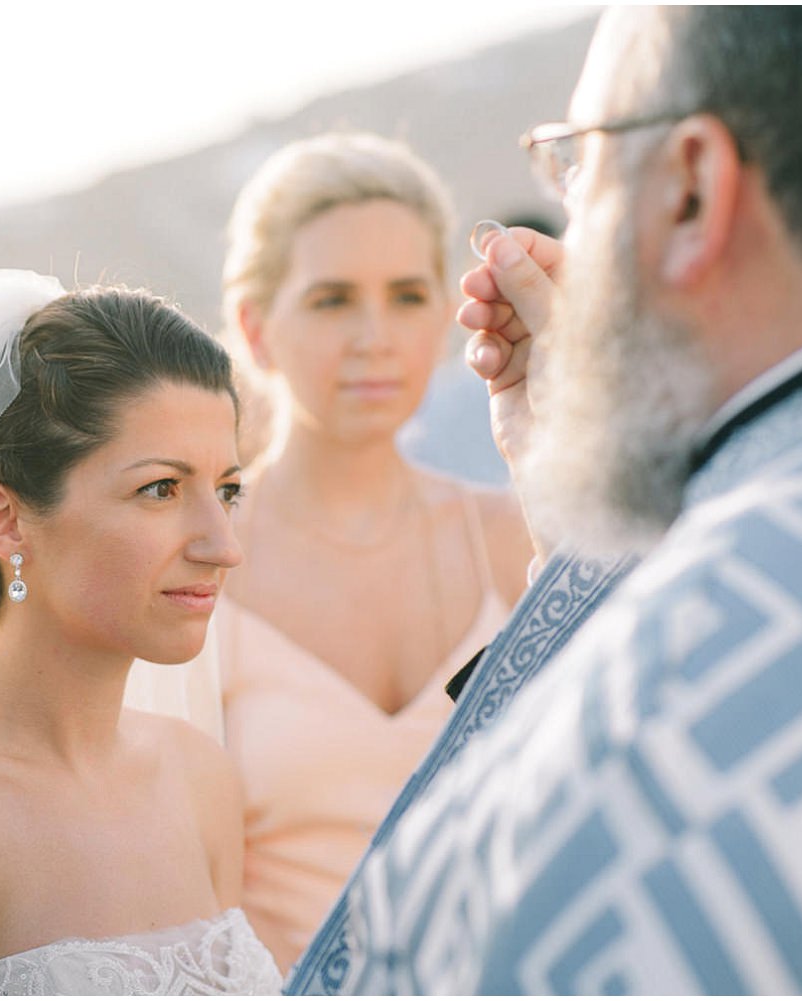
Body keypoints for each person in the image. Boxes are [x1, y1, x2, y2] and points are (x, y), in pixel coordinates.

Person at [289, 6, 802, 993]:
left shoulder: (637, 741)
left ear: (692, 189)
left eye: (580, 165)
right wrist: (581, 509)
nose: (568, 217)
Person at [0, 270, 285, 995]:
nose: (223, 544)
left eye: (227, 489)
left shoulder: (200, 777)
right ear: (4, 519)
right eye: (160, 488)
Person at [213, 131, 535, 970]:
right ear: (255, 328)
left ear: (447, 310)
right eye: (330, 300)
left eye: (405, 295)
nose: (374, 336)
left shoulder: (513, 535)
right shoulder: (198, 562)